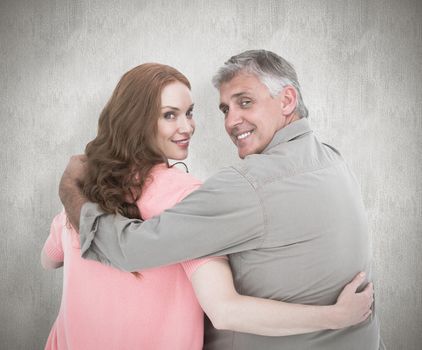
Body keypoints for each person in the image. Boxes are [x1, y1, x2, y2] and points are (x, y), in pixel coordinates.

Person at [59, 51, 384, 349]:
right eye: (225, 109)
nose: (230, 122)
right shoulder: (334, 161)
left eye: (245, 102)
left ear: (287, 100)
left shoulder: (246, 186)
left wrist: (70, 188)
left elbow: (129, 249)